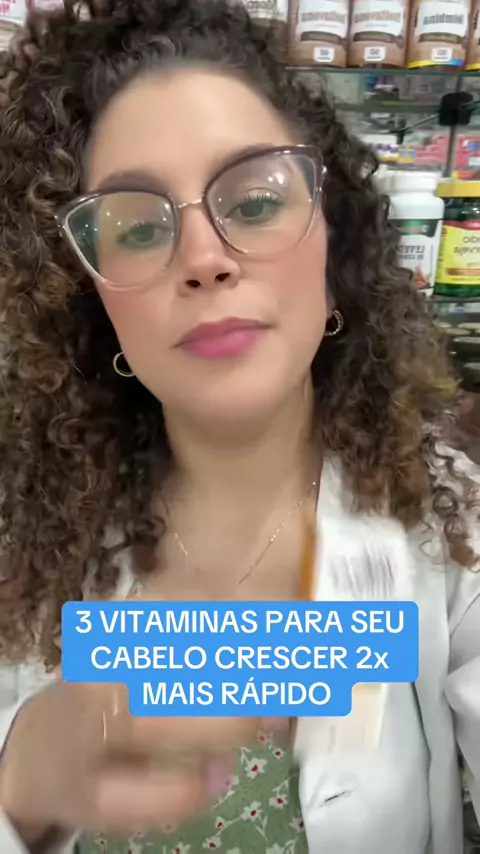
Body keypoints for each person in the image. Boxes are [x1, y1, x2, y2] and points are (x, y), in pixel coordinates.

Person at [0, 0, 479, 852]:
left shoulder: (451, 524)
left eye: (254, 203)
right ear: (91, 300)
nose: (204, 258)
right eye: (137, 227)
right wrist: (21, 779)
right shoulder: (28, 530)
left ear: (334, 244)